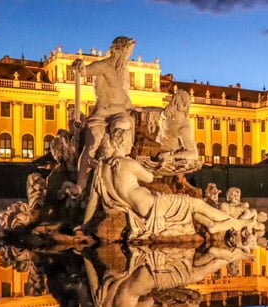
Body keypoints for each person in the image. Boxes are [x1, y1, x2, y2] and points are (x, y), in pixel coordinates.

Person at [85, 115, 256, 240]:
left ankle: (213, 225)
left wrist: (84, 225)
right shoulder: (128, 164)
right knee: (195, 203)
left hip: (145, 206)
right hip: (154, 205)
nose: (132, 143)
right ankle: (235, 223)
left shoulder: (101, 167)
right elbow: (150, 178)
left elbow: (93, 200)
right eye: (131, 138)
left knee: (192, 208)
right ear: (124, 139)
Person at [69, 36, 138, 195]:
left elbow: (123, 95)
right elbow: (85, 71)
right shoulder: (103, 66)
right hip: (101, 114)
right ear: (120, 50)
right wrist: (80, 66)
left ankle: (119, 178)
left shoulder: (124, 71)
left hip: (120, 112)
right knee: (92, 142)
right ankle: (80, 184)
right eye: (128, 52)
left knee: (122, 128)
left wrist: (135, 109)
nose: (129, 56)